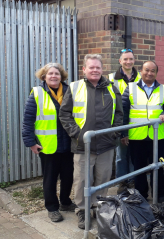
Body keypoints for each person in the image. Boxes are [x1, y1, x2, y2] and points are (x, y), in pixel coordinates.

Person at [59, 54, 123, 229]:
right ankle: (82, 210)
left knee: (103, 178)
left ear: (102, 69)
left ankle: (99, 207)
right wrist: (77, 134)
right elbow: (64, 114)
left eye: (98, 67)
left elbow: (119, 113)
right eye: (91, 67)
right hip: (82, 145)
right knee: (82, 180)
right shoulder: (74, 87)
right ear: (84, 69)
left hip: (106, 144)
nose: (95, 70)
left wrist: (114, 133)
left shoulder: (112, 87)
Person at [22, 63, 76, 223]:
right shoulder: (37, 93)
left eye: (57, 74)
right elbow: (28, 121)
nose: (54, 76)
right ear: (44, 76)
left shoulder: (69, 92)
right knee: (50, 178)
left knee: (68, 177)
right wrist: (30, 142)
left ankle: (65, 202)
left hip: (68, 144)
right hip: (48, 145)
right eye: (50, 74)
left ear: (62, 76)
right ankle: (52, 208)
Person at [122, 61, 164, 201]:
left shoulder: (163, 89)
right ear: (141, 71)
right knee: (139, 168)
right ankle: (142, 196)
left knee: (158, 166)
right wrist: (124, 133)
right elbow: (124, 110)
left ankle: (160, 195)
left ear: (156, 73)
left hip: (157, 136)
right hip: (136, 136)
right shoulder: (131, 88)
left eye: (152, 71)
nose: (149, 73)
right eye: (146, 70)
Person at [108, 48, 141, 192]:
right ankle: (122, 182)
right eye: (125, 59)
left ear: (134, 61)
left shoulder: (141, 77)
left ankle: (133, 181)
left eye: (131, 59)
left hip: (136, 122)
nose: (128, 62)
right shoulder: (111, 78)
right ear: (120, 61)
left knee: (134, 154)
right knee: (121, 155)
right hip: (119, 122)